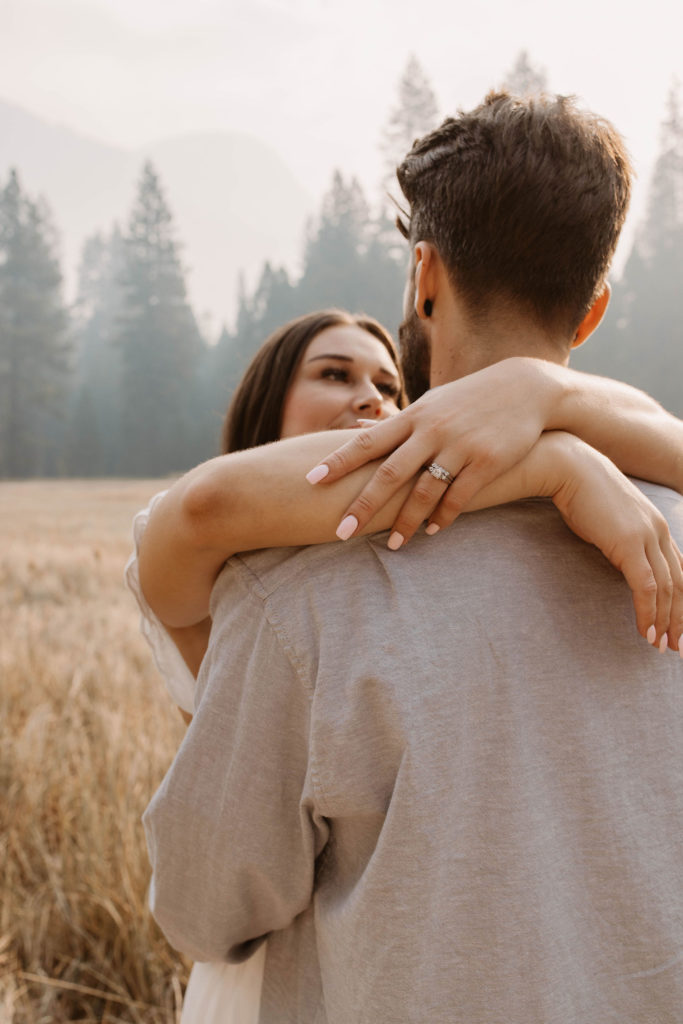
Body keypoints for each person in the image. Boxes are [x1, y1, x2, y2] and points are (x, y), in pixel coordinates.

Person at [142, 92, 683, 1022]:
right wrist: (552, 443)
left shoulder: (303, 592)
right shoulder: (659, 526)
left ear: (422, 277)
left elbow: (204, 907)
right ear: (591, 315)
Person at [126, 308, 404, 1023]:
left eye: (390, 385)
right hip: (260, 965)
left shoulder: (409, 580)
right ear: (266, 408)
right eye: (334, 374)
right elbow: (217, 879)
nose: (372, 399)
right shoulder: (212, 573)